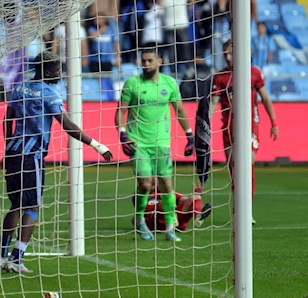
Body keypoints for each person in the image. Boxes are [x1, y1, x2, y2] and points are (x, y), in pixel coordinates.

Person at [0, 51, 112, 274]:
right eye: (58, 69)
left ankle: (1, 256)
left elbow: (7, 118)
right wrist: (97, 144)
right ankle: (16, 258)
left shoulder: (19, 88)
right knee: (32, 206)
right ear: (48, 71)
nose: (60, 73)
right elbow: (67, 125)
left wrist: (8, 148)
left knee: (16, 205)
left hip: (12, 154)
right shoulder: (49, 94)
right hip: (32, 157)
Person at [115, 49, 195, 242]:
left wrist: (189, 135)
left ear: (159, 61)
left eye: (150, 60)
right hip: (138, 142)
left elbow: (180, 110)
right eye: (143, 61)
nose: (146, 64)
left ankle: (169, 228)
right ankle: (140, 220)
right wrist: (123, 135)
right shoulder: (133, 83)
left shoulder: (169, 83)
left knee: (166, 184)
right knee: (146, 183)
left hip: (162, 143)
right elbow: (120, 111)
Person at [210, 40, 278, 210]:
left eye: (231, 53)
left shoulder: (253, 73)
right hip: (229, 128)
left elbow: (265, 98)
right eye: (225, 53)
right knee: (234, 171)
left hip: (250, 127)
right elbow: (213, 103)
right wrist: (205, 127)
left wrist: (273, 122)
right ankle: (238, 209)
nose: (227, 57)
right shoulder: (220, 77)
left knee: (247, 165)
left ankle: (246, 210)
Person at [141, 185, 212, 234]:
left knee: (194, 197)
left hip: (178, 223)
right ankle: (172, 218)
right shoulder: (142, 195)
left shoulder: (169, 193)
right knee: (165, 202)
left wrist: (196, 195)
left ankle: (198, 216)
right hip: (157, 222)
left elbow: (184, 200)